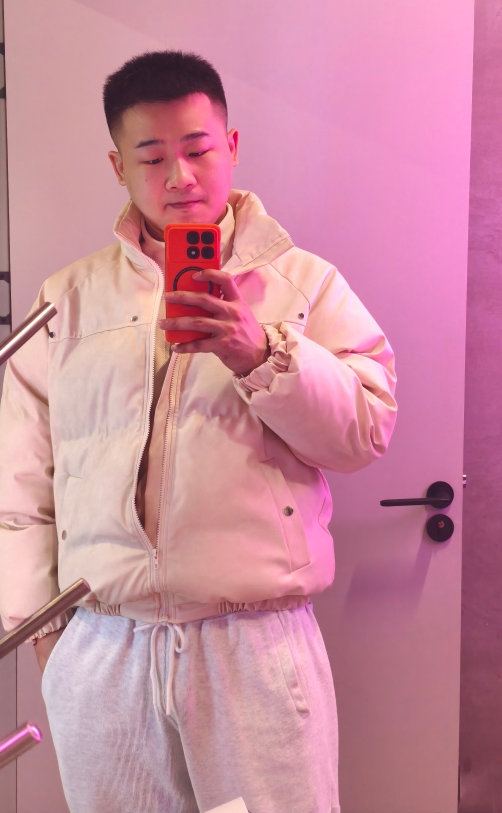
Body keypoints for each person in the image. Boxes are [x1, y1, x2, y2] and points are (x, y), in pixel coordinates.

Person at [0, 50, 396, 813]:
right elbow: (18, 481)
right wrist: (45, 639)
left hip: (252, 644)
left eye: (198, 149)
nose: (179, 176)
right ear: (118, 166)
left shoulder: (304, 285)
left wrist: (261, 353)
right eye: (152, 157)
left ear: (232, 146)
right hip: (103, 645)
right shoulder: (67, 299)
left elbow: (366, 429)